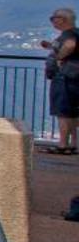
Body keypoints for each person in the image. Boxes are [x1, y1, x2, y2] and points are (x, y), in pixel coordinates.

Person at [42, 8, 79, 153]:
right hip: (72, 76)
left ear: (63, 20)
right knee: (73, 112)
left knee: (63, 111)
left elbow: (70, 46)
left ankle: (63, 144)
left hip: (64, 77)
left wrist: (58, 57)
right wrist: (51, 46)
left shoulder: (69, 34)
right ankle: (73, 144)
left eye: (53, 18)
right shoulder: (75, 33)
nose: (52, 21)